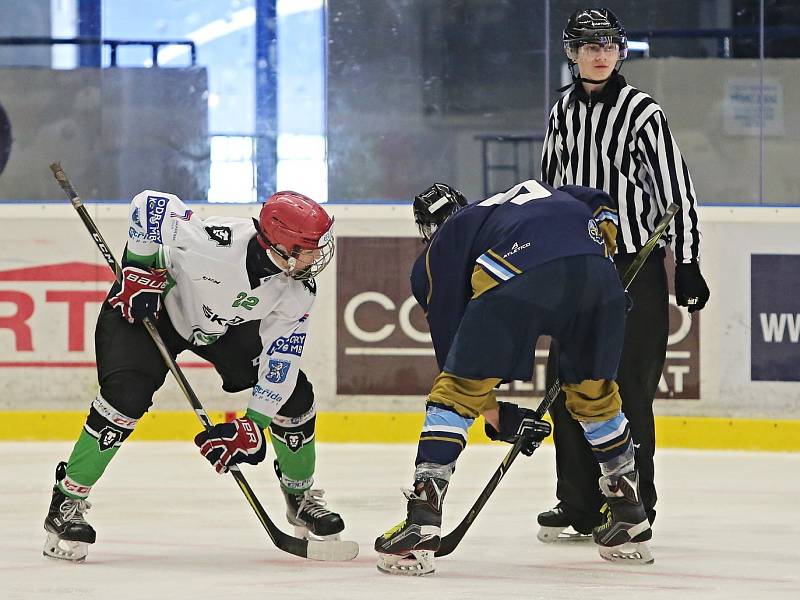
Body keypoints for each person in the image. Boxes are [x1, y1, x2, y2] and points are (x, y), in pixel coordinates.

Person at [43, 189, 345, 562]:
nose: (318, 256)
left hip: (221, 326)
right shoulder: (215, 243)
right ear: (279, 246)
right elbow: (150, 203)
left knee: (296, 396)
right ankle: (67, 501)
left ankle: (299, 496)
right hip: (152, 306)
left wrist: (254, 424)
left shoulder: (297, 289)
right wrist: (140, 267)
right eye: (309, 248)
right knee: (125, 397)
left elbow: (281, 359)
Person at [374, 179, 653, 576]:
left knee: (455, 392)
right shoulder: (514, 199)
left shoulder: (439, 250)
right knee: (595, 394)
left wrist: (493, 414)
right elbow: (596, 200)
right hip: (595, 267)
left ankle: (422, 520)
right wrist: (599, 256)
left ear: (426, 228)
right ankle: (630, 513)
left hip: (518, 269)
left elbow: (455, 358)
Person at [537, 7, 710, 542]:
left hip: (631, 269)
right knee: (567, 384)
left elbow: (676, 192)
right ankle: (580, 503)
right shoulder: (562, 112)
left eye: (609, 44)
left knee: (628, 388)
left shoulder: (643, 113)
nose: (600, 53)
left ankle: (634, 505)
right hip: (575, 268)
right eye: (590, 45)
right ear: (572, 52)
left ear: (621, 50)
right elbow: (546, 189)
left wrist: (688, 261)